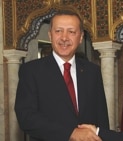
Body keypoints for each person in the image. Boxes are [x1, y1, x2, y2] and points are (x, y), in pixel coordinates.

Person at [15, 9, 109, 141]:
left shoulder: (92, 71)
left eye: (71, 32)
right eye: (58, 31)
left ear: (80, 37)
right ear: (50, 35)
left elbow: (101, 118)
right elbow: (26, 117)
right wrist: (71, 133)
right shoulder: (31, 71)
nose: (64, 38)